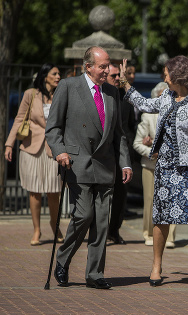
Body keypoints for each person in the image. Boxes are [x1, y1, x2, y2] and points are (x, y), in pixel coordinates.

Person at [119, 55, 188, 288]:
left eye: (166, 72)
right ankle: (156, 265)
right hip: (165, 166)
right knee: (161, 216)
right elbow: (144, 104)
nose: (164, 76)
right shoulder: (165, 97)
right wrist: (124, 82)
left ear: (177, 75)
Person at [45, 46, 133, 289]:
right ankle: (63, 260)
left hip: (105, 167)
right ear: (88, 67)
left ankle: (94, 274)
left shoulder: (113, 93)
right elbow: (53, 127)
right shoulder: (68, 87)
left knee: (102, 223)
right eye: (103, 66)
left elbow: (119, 135)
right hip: (77, 163)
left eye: (108, 66)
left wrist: (125, 162)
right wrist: (59, 150)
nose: (107, 71)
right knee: (83, 215)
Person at [4, 63, 63, 246]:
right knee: (35, 192)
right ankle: (36, 230)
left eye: (59, 73)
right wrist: (9, 144)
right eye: (54, 73)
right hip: (31, 148)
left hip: (54, 149)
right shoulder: (31, 94)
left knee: (54, 191)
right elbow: (20, 118)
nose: (58, 76)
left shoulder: (62, 94)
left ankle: (54, 224)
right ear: (45, 76)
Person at [133, 82, 176, 247]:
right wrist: (152, 152)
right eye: (162, 96)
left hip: (172, 166)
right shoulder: (148, 116)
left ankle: (170, 237)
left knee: (171, 202)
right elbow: (137, 143)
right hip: (151, 166)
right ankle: (149, 234)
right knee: (150, 201)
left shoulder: (176, 114)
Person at [107, 63, 137, 245]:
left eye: (119, 76)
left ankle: (114, 231)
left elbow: (131, 126)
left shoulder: (125, 99)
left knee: (120, 195)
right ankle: (97, 232)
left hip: (122, 154)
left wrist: (130, 147)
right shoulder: (99, 96)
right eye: (114, 76)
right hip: (103, 155)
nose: (117, 79)